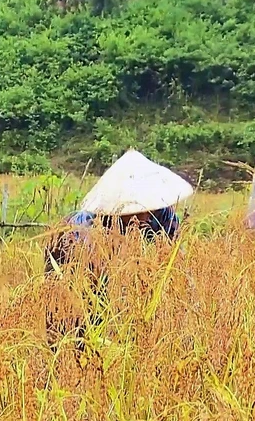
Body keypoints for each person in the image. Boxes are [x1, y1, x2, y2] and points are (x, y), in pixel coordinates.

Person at [44, 149, 193, 349]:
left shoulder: (163, 215)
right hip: (85, 288)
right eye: (135, 213)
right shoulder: (84, 229)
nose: (143, 219)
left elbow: (176, 262)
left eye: (146, 211)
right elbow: (87, 283)